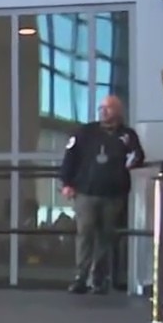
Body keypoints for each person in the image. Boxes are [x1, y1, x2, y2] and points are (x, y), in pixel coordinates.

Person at [59, 94, 145, 295]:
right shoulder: (85, 132)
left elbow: (138, 156)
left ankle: (98, 280)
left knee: (106, 237)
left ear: (118, 111)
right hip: (86, 192)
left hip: (113, 195)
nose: (103, 111)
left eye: (108, 107)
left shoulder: (127, 135)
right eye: (101, 108)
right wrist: (66, 183)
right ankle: (81, 277)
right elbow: (69, 158)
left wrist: (132, 162)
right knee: (85, 233)